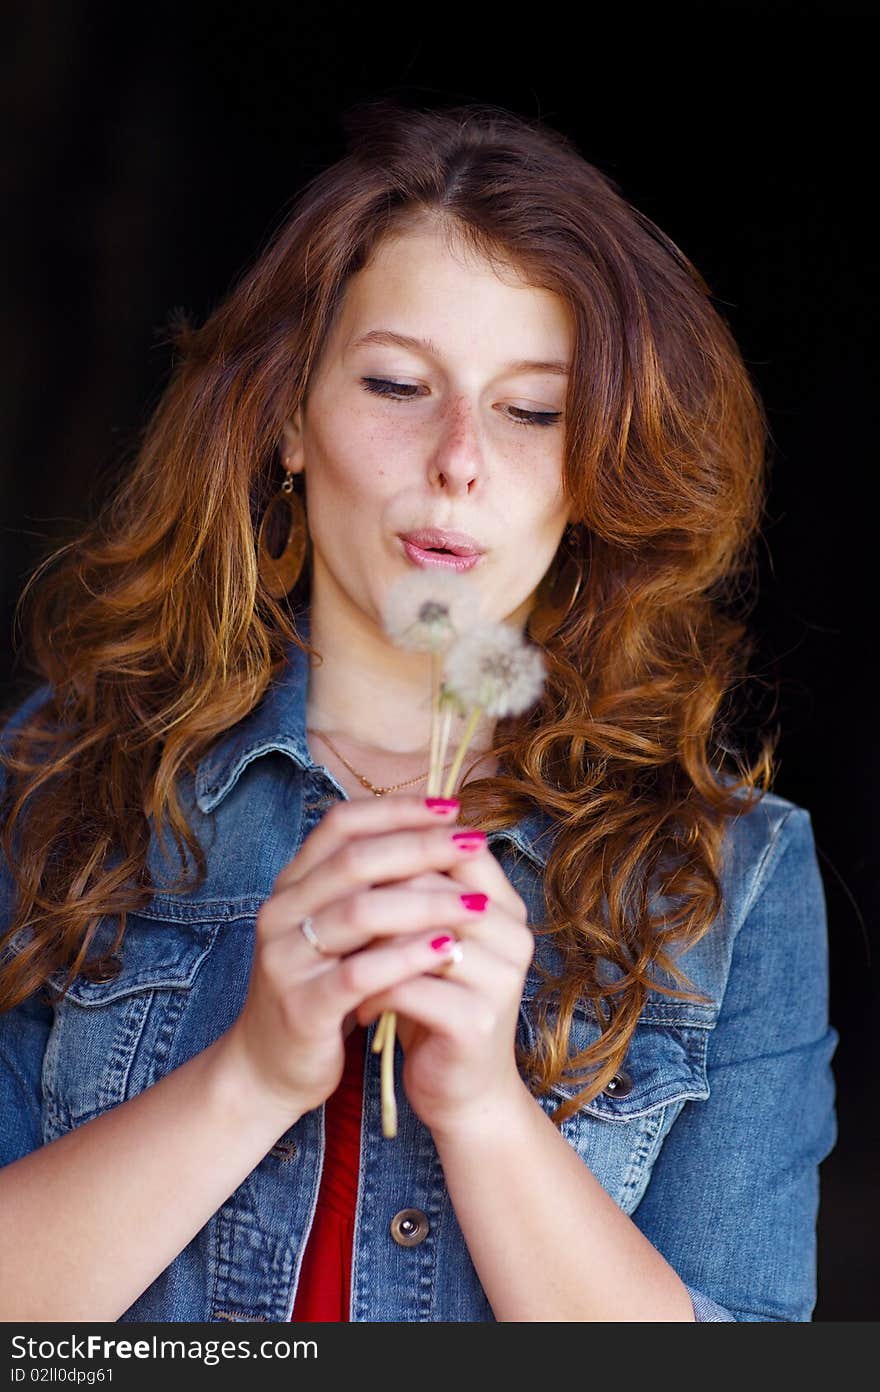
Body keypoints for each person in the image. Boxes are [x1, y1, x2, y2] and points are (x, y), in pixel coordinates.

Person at [0, 99, 838, 1323]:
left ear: (596, 463)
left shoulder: (730, 879)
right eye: (398, 384)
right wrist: (252, 1074)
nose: (458, 457)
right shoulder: (61, 782)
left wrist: (486, 1110)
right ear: (287, 417)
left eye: (530, 410)